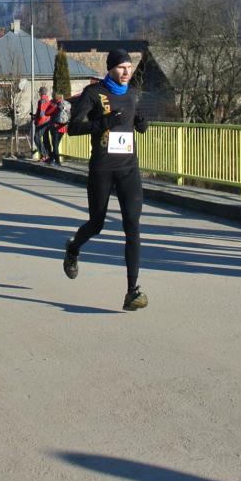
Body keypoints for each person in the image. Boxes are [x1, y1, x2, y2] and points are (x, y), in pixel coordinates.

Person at [63, 50, 150, 311]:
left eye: (129, 67)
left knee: (132, 226)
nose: (126, 72)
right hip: (102, 168)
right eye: (121, 67)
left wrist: (142, 124)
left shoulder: (132, 94)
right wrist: (104, 122)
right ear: (110, 69)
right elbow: (72, 128)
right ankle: (73, 249)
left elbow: (135, 121)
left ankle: (132, 292)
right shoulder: (94, 93)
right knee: (96, 224)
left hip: (128, 168)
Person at [34, 87, 54, 161]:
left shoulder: (42, 100)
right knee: (46, 138)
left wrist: (38, 121)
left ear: (40, 92)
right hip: (48, 121)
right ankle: (49, 155)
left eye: (39, 92)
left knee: (36, 137)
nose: (39, 93)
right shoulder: (48, 99)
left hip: (42, 122)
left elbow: (42, 112)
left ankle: (44, 155)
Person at [51, 92, 71, 165]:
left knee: (55, 145)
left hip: (56, 127)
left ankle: (57, 162)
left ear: (57, 98)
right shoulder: (66, 105)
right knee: (56, 144)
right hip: (63, 127)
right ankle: (52, 159)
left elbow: (48, 112)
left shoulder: (57, 105)